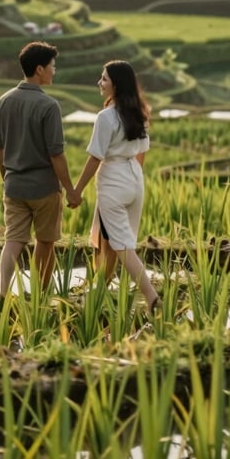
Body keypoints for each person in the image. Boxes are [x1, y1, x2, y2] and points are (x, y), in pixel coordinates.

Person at [0, 41, 80, 296]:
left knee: (13, 241)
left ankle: (1, 293)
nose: (55, 70)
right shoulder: (49, 106)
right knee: (45, 242)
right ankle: (40, 296)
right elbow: (56, 154)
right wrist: (71, 190)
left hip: (14, 186)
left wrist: (5, 178)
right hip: (43, 188)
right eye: (53, 66)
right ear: (40, 69)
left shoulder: (4, 101)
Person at [73, 60, 159, 312]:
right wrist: (132, 178)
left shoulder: (106, 117)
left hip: (113, 177)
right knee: (109, 237)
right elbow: (142, 152)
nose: (99, 83)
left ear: (116, 85)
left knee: (121, 244)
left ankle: (152, 297)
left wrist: (77, 190)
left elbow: (95, 157)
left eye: (104, 79)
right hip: (134, 177)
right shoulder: (140, 112)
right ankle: (100, 286)